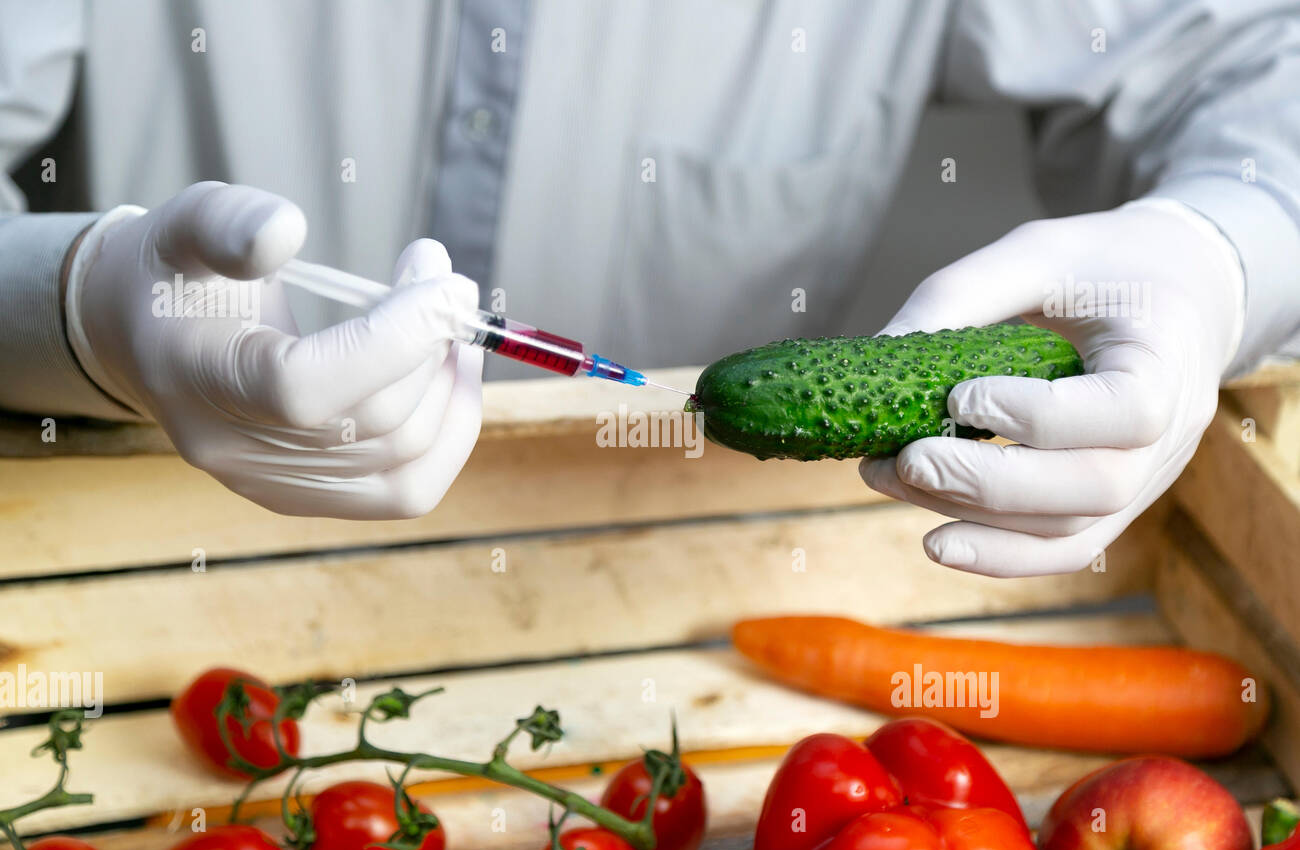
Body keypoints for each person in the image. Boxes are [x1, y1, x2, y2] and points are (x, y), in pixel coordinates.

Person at [1, 0, 1298, 576]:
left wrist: (1217, 250)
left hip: (682, 593)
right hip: (124, 555)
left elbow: (1252, 57)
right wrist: (80, 305)